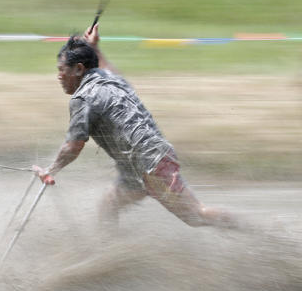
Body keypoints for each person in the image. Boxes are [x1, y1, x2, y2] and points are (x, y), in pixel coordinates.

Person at [32, 25, 235, 229]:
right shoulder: (109, 79)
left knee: (195, 216)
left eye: (61, 70)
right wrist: (95, 48)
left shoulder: (83, 98)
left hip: (149, 163)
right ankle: (110, 256)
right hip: (140, 162)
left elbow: (73, 147)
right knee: (109, 206)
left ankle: (258, 235)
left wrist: (50, 170)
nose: (59, 76)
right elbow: (107, 68)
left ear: (78, 69)